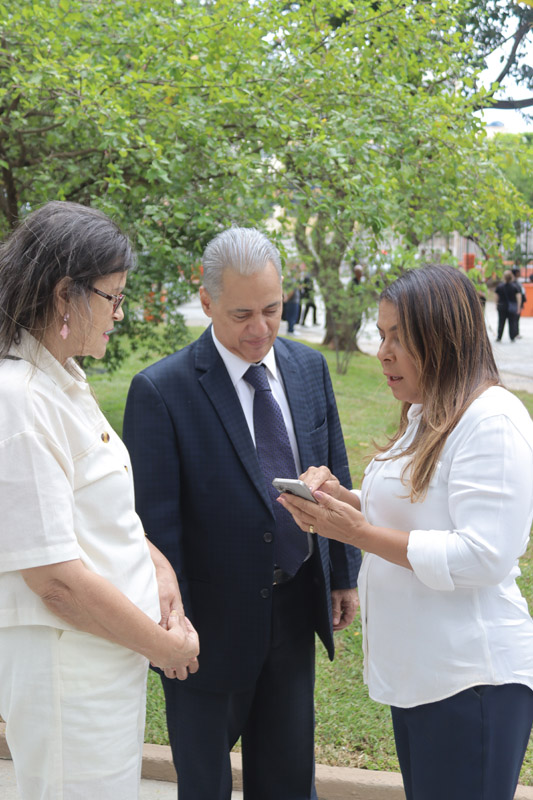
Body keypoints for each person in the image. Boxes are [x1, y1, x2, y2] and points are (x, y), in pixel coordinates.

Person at [123, 226, 361, 800]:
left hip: (294, 607)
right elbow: (155, 529)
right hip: (206, 632)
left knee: (286, 781)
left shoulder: (308, 370)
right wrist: (171, 629)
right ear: (206, 302)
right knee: (204, 787)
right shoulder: (161, 390)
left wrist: (343, 573)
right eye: (241, 314)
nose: (259, 330)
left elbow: (334, 473)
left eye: (272, 310)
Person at [278, 264, 533, 800]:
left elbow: (483, 555)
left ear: (443, 337)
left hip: (470, 681)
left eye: (399, 337)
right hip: (421, 675)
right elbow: (414, 513)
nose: (383, 351)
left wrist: (357, 532)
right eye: (382, 333)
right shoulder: (423, 413)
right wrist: (338, 504)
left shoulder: (493, 420)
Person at [0, 201, 199, 800]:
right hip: (70, 671)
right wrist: (163, 646)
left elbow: (97, 515)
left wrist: (157, 567)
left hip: (108, 657)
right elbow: (54, 577)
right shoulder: (21, 399)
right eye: (112, 297)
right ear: (65, 296)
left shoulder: (66, 381)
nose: (120, 313)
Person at [495, 269, 521, 342]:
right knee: (512, 322)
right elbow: (518, 297)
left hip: (502, 306)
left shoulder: (500, 286)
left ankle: (499, 337)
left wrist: (496, 304)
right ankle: (512, 337)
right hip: (512, 307)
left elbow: (496, 296)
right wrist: (518, 307)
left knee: (501, 322)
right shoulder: (515, 286)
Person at [512, 267, 527, 339]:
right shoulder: (515, 283)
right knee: (515, 319)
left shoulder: (517, 282)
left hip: (515, 303)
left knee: (516, 319)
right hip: (515, 303)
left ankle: (515, 333)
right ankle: (515, 333)